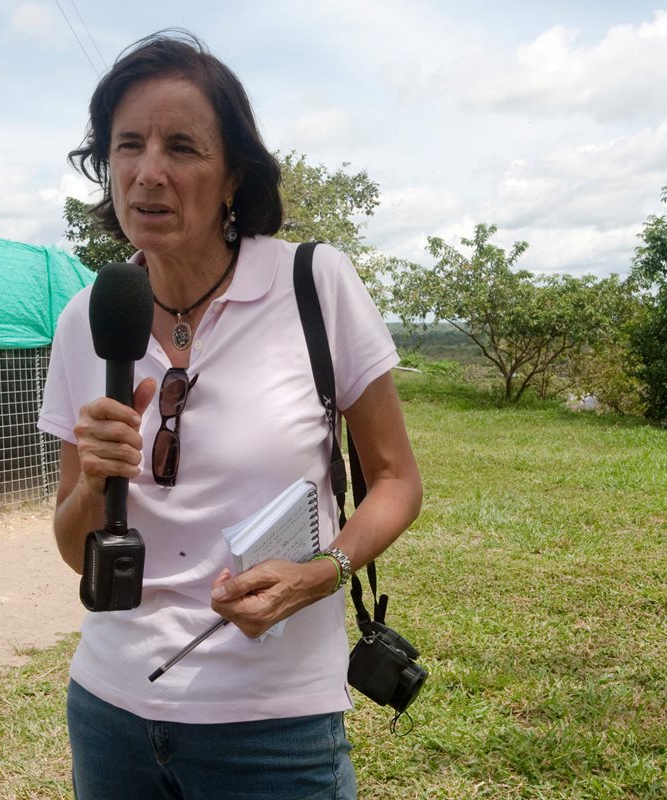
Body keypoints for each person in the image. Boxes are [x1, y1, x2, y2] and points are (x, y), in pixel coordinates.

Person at [37, 30, 422, 800]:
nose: (149, 172)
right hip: (111, 714)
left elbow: (395, 480)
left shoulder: (315, 284)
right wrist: (94, 483)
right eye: (127, 146)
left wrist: (323, 572)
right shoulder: (88, 317)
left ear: (233, 176)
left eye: (182, 147)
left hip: (274, 727)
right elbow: (77, 550)